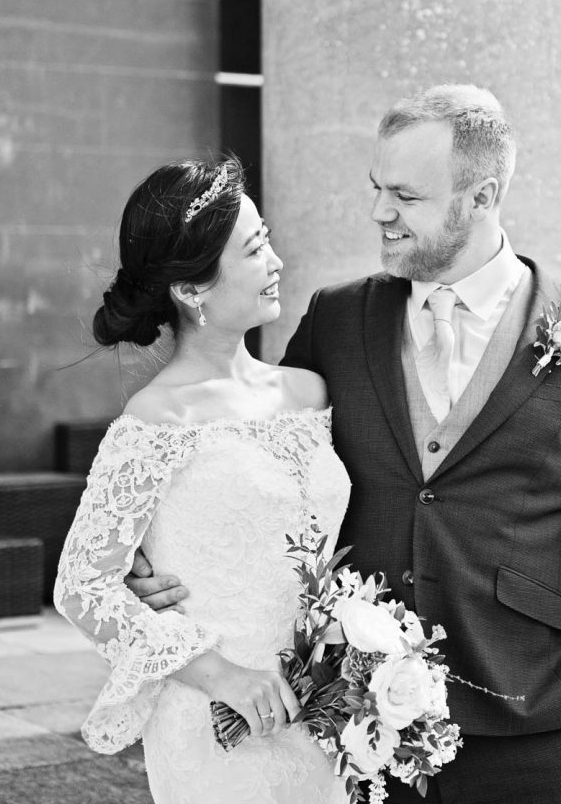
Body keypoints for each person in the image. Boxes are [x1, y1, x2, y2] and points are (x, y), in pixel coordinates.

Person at [128, 85, 561, 804]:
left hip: (536, 731)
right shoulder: (338, 319)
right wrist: (154, 547)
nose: (380, 211)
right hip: (358, 737)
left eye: (405, 196)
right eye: (377, 188)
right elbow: (254, 457)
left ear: (481, 196)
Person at [54, 156, 351, 804]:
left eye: (266, 238)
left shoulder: (309, 392)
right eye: (254, 249)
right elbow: (81, 586)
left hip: (329, 720)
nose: (275, 260)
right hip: (219, 726)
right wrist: (219, 675)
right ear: (193, 290)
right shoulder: (156, 422)